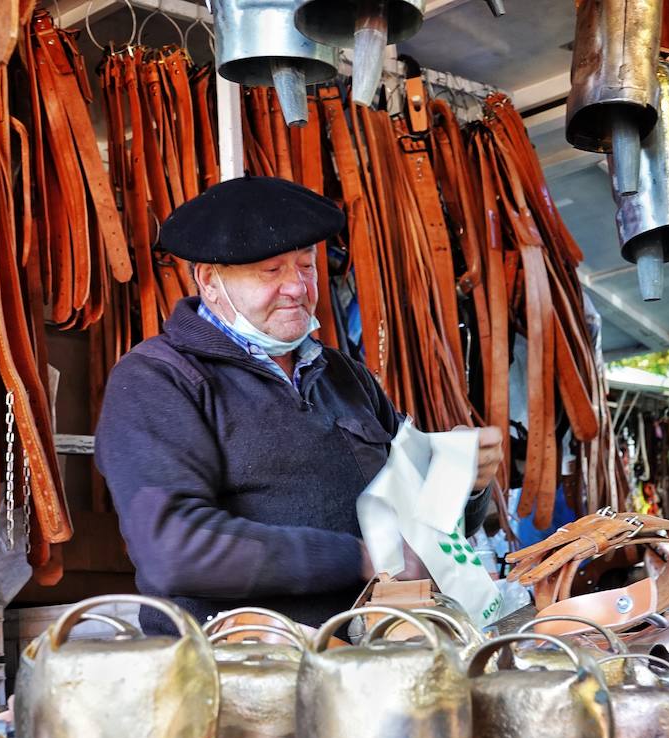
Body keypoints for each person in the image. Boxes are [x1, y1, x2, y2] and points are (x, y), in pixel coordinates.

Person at [95, 176, 501, 634]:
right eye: (271, 271)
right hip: (236, 660)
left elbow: (417, 528)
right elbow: (174, 547)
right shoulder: (157, 380)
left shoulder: (344, 375)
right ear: (210, 281)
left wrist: (464, 485)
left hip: (368, 649)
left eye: (306, 266)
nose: (296, 287)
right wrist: (358, 557)